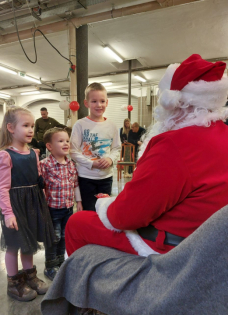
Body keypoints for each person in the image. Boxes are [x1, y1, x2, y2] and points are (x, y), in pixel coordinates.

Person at [65, 54, 228, 258]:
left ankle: (85, 287)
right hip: (208, 240)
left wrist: (106, 205)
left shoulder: (174, 143)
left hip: (171, 246)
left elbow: (125, 217)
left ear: (173, 102)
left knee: (77, 222)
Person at [0, 106, 56, 302]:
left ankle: (30, 275)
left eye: (32, 126)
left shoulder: (33, 153)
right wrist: (8, 213)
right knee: (14, 244)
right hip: (15, 206)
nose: (30, 130)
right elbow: (2, 188)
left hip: (32, 203)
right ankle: (14, 282)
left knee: (28, 243)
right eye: (25, 125)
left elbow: (36, 177)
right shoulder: (3, 155)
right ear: (10, 128)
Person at [70, 82, 121, 211]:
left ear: (107, 102)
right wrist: (91, 163)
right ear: (86, 103)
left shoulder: (112, 125)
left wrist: (110, 159)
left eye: (102, 101)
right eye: (94, 101)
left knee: (104, 210)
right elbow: (73, 151)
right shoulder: (80, 124)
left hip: (106, 177)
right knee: (89, 211)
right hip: (86, 177)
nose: (99, 105)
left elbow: (116, 148)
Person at [40, 128, 83, 280]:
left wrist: (79, 202)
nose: (65, 143)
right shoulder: (45, 165)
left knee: (64, 236)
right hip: (52, 209)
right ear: (49, 146)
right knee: (53, 237)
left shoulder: (71, 164)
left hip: (68, 208)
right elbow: (41, 188)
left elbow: (75, 184)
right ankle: (50, 266)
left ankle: (60, 262)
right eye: (60, 141)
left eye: (67, 140)